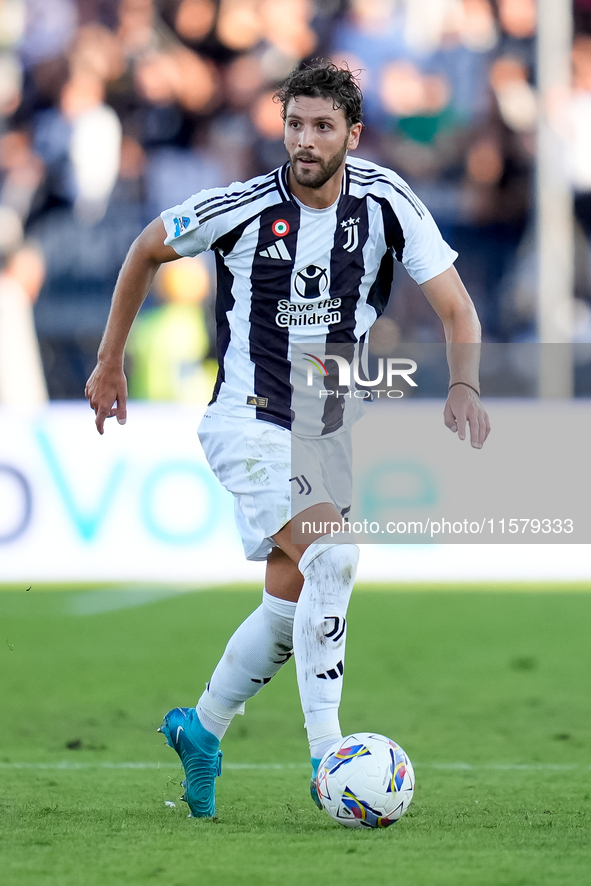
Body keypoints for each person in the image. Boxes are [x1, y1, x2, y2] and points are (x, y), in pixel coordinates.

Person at [85, 61, 490, 819]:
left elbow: (457, 311)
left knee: (294, 592)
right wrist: (109, 361)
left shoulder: (387, 203)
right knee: (333, 552)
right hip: (245, 418)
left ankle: (200, 729)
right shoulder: (238, 208)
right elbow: (145, 247)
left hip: (325, 430)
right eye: (294, 125)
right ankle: (327, 759)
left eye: (321, 127)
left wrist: (463, 385)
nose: (304, 141)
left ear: (352, 134)